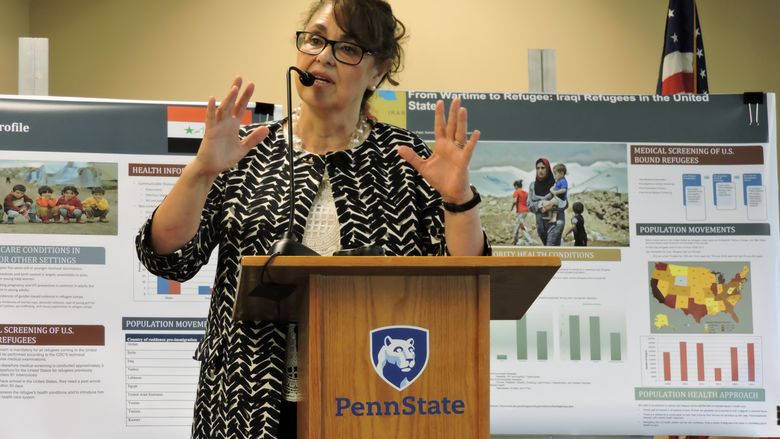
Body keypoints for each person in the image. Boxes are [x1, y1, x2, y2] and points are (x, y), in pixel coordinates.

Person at [135, 1, 488, 437]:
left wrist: (458, 199)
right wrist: (201, 171)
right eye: (316, 39)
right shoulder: (247, 151)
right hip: (245, 402)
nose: (322, 56)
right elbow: (170, 259)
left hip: (372, 401)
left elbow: (465, 275)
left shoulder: (406, 159)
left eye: (349, 48)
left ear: (379, 71)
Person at [527, 158, 565, 246]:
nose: (540, 170)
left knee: (550, 248)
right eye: (538, 168)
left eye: (543, 168)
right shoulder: (532, 186)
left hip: (555, 222)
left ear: (547, 169)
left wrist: (551, 204)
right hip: (541, 225)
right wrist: (541, 204)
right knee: (550, 251)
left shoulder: (557, 184)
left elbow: (565, 203)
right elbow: (529, 205)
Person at [510, 179, 533, 245]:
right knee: (520, 224)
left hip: (520, 211)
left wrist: (511, 208)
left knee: (518, 225)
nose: (514, 188)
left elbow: (515, 201)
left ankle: (516, 240)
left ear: (516, 186)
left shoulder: (517, 191)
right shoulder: (525, 193)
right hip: (525, 211)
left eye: (514, 186)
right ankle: (516, 240)